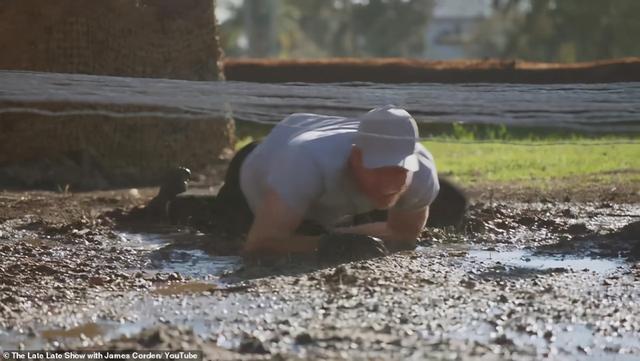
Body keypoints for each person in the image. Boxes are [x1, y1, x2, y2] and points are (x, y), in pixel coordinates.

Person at [141, 105, 467, 261]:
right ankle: (170, 203)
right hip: (263, 166)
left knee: (316, 227)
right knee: (222, 230)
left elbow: (402, 235)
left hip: (325, 200)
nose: (390, 183)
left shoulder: (420, 172)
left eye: (399, 170)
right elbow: (258, 244)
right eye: (379, 169)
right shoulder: (306, 163)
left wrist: (340, 239)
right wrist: (327, 246)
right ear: (355, 158)